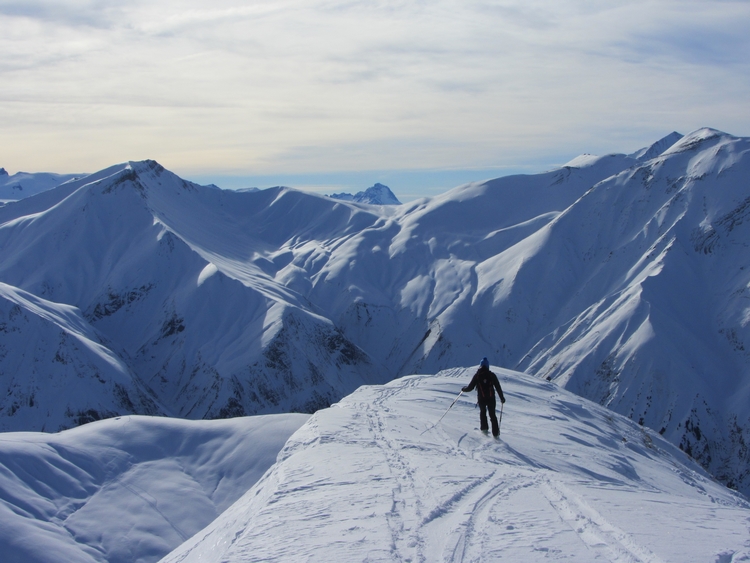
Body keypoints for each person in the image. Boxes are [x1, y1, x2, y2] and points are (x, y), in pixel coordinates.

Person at [462, 357, 506, 436]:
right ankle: (495, 433)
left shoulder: (477, 375)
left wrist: (464, 389)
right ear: (487, 365)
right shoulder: (492, 375)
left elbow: (470, 387)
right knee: (492, 415)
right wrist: (502, 398)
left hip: (481, 398)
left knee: (483, 413)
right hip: (491, 398)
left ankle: (484, 430)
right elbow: (498, 387)